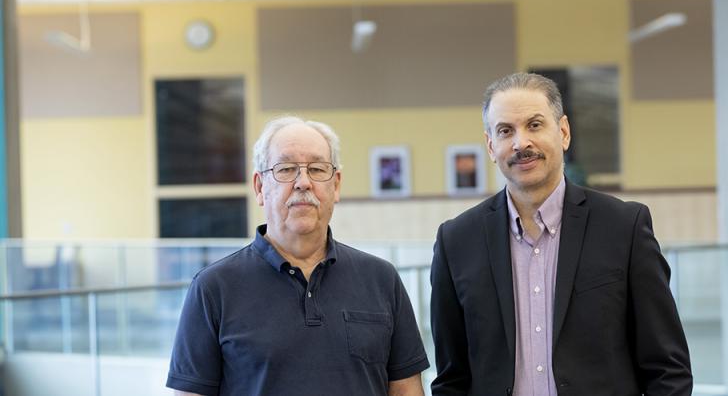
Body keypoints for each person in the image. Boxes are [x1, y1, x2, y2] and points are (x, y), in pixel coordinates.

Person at [429, 72, 692, 395]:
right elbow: (451, 379)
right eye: (505, 131)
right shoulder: (456, 242)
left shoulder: (624, 228)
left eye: (535, 125)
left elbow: (668, 370)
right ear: (490, 146)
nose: (520, 143)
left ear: (564, 132)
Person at [167, 116, 429, 396]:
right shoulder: (213, 288)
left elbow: (406, 390)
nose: (303, 182)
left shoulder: (381, 280)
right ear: (259, 187)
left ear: (336, 185)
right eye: (286, 169)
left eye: (317, 169)